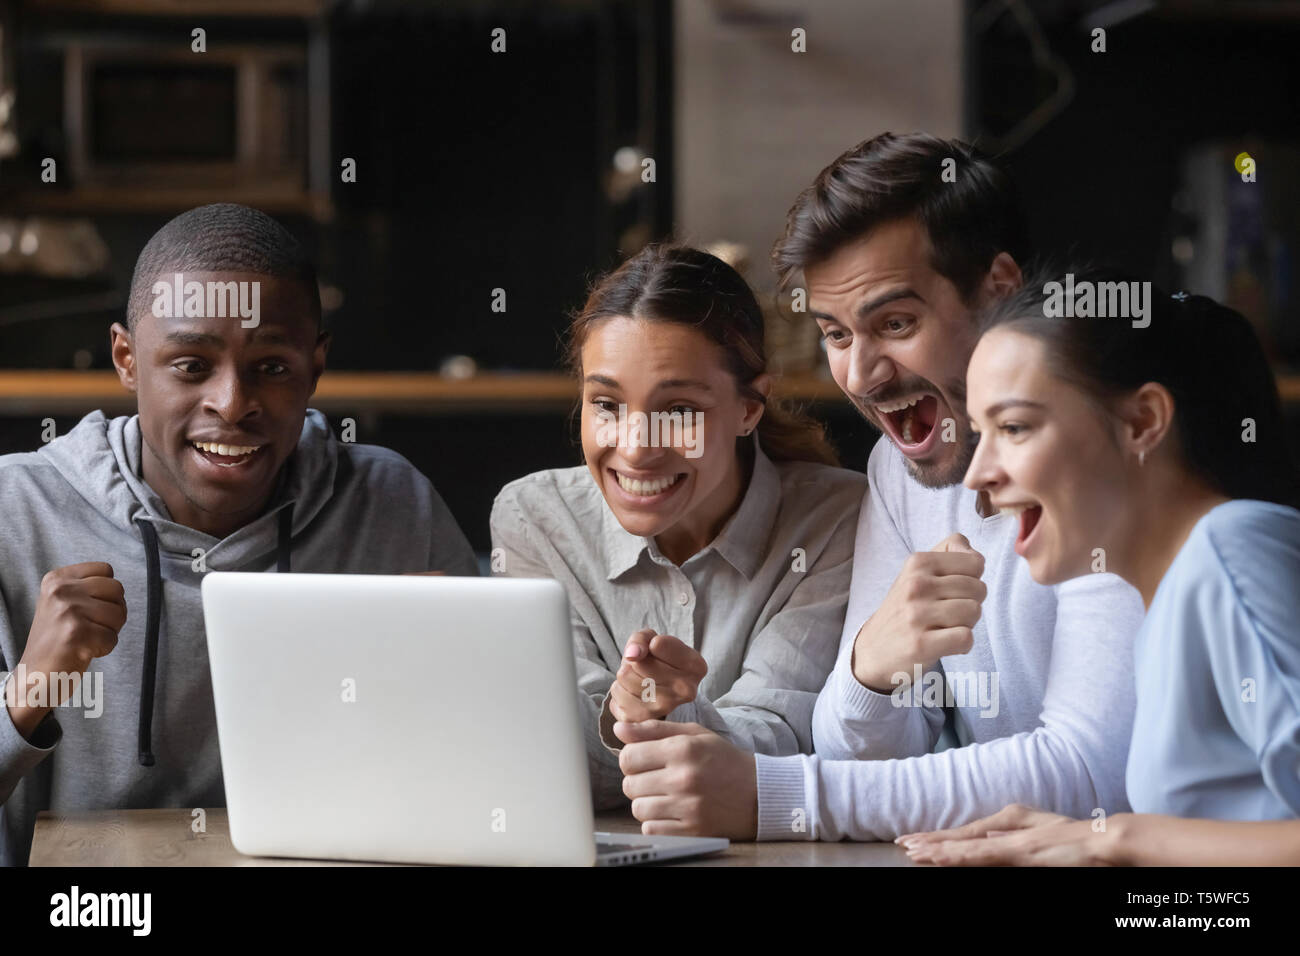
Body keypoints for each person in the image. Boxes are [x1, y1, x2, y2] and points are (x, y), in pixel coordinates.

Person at [614, 132, 1146, 840]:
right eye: (836, 334)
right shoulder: (900, 472)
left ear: (1000, 291)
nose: (861, 375)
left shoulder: (1109, 452)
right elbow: (862, 749)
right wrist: (871, 667)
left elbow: (1093, 777)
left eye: (895, 323)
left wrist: (775, 797)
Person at [0, 203, 477, 866]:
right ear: (127, 360)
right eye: (191, 365)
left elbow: (488, 768)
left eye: (273, 368)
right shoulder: (15, 511)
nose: (232, 404)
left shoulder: (392, 505)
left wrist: (447, 681)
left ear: (315, 366)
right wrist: (31, 690)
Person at [901, 277, 1300, 865]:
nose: (976, 474)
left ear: (1142, 422)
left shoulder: (1230, 547)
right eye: (981, 434)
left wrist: (1118, 838)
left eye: (1013, 428)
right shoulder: (1167, 603)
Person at [490, 244, 866, 811]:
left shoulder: (837, 519)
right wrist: (636, 714)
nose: (636, 449)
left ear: (750, 407)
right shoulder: (534, 518)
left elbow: (784, 738)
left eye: (679, 411)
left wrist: (659, 716)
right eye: (606, 404)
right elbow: (540, 744)